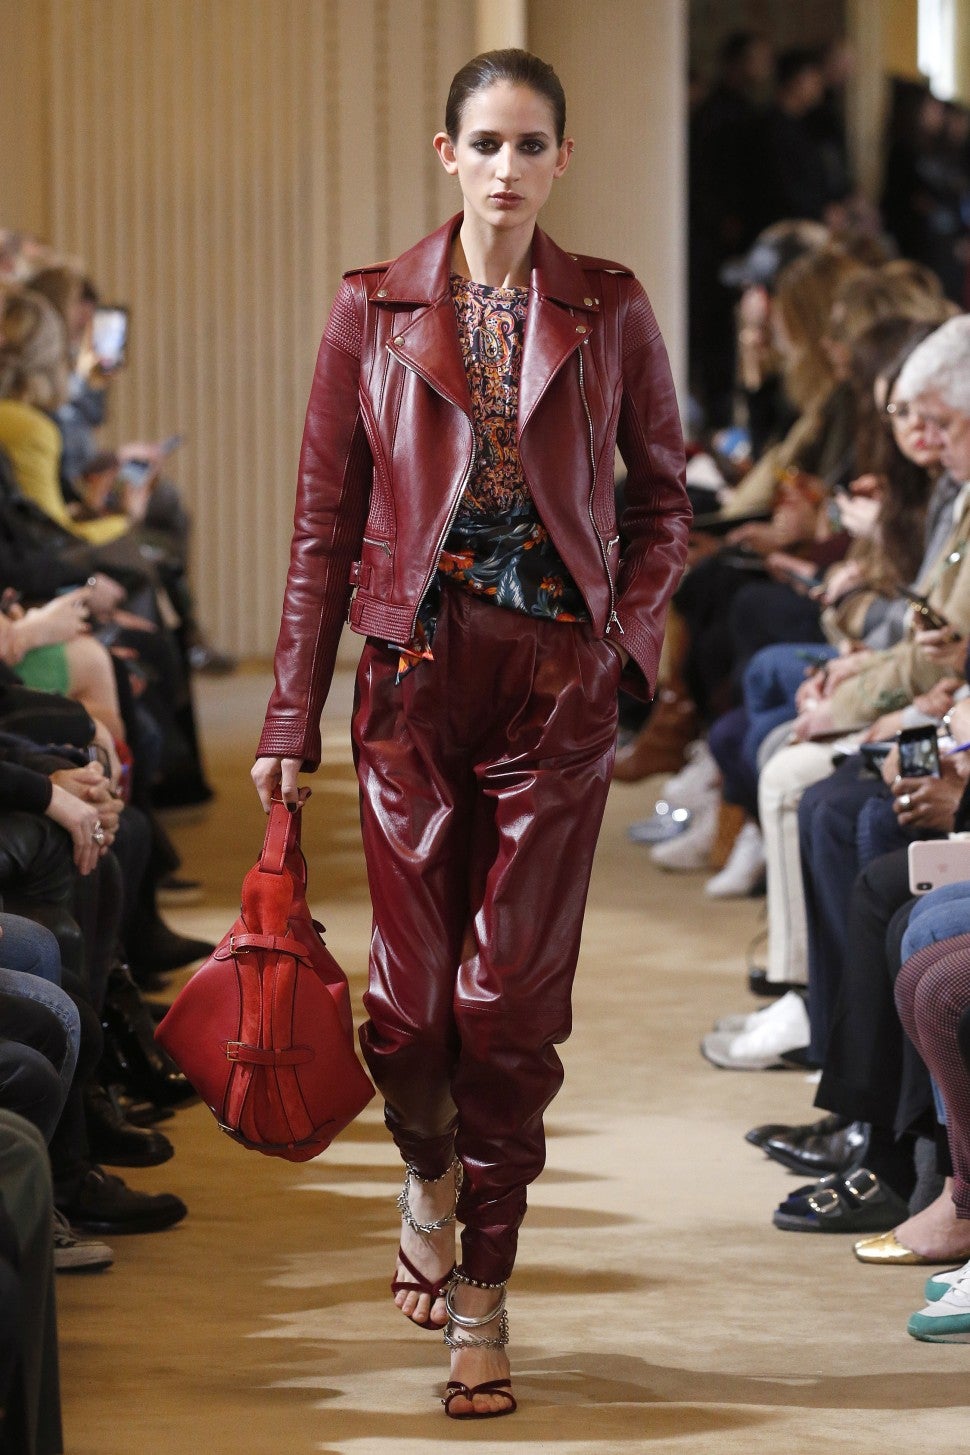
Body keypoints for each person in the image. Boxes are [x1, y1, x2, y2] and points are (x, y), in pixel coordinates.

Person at [253, 48, 689, 1419]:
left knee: (508, 1011)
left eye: (531, 144)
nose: (508, 167)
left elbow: (662, 505)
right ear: (447, 154)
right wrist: (288, 708)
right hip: (412, 682)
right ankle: (428, 1174)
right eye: (486, 143)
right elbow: (325, 524)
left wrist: (620, 647)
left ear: (562, 159)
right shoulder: (370, 308)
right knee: (406, 1017)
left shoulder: (609, 305)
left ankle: (484, 1295)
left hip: (555, 687)